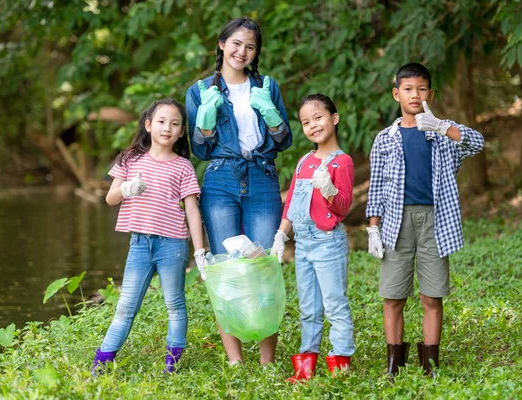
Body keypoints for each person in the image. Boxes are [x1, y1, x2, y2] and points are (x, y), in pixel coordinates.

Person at [365, 63, 484, 377]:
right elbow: (376, 186)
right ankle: (394, 364)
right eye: (407, 89)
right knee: (393, 296)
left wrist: (443, 127)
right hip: (395, 222)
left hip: (436, 221)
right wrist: (372, 227)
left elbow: (477, 142)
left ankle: (430, 364)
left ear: (430, 93)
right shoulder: (385, 139)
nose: (414, 95)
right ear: (396, 94)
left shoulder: (442, 134)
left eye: (421, 89)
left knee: (432, 294)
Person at [185, 16, 292, 365]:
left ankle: (267, 361)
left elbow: (284, 140)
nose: (241, 51)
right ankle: (235, 360)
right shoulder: (200, 91)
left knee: (263, 267)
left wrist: (271, 114)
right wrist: (204, 120)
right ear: (221, 44)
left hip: (261, 177)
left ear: (256, 51)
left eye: (250, 46)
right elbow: (200, 149)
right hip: (220, 178)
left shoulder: (268, 86)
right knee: (225, 270)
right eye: (236, 43)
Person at [91, 99, 208, 375]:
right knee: (125, 307)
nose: (167, 128)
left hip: (173, 245)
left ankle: (172, 366)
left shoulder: (183, 167)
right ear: (148, 125)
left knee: (175, 304)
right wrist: (127, 189)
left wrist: (200, 252)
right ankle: (100, 364)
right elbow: (110, 199)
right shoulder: (129, 160)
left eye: (175, 124)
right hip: (140, 245)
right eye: (161, 121)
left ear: (181, 132)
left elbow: (192, 211)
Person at [272, 94, 355, 383]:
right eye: (306, 122)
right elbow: (293, 201)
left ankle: (340, 365)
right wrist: (282, 234)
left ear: (334, 118)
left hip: (327, 241)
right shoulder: (304, 161)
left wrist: (330, 190)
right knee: (309, 307)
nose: (313, 125)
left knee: (335, 304)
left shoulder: (341, 162)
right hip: (304, 242)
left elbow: (344, 206)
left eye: (318, 118)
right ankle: (305, 367)